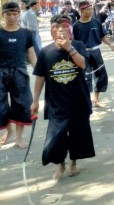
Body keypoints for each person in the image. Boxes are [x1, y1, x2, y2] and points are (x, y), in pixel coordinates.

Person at [31, 15, 95, 179]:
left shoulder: (78, 46)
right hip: (56, 103)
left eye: (64, 29)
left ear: (69, 31)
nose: (60, 32)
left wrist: (70, 48)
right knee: (57, 137)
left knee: (78, 135)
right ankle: (60, 164)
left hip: (78, 100)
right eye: (57, 29)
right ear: (52, 32)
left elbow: (83, 65)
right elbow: (40, 77)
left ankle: (73, 163)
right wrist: (35, 100)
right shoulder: (46, 52)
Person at [0, 2, 37, 148]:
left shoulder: (26, 34)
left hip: (19, 72)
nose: (11, 17)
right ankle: (8, 131)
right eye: (8, 14)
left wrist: (40, 72)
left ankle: (18, 138)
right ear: (3, 15)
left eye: (14, 14)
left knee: (22, 105)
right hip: (1, 72)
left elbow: (31, 54)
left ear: (19, 14)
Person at [73, 0, 114, 108]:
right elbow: (73, 42)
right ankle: (86, 102)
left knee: (100, 75)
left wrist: (110, 44)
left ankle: (96, 100)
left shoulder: (96, 22)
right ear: (81, 11)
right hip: (83, 54)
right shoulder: (76, 26)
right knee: (85, 77)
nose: (90, 11)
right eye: (87, 9)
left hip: (96, 52)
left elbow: (102, 36)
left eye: (91, 9)